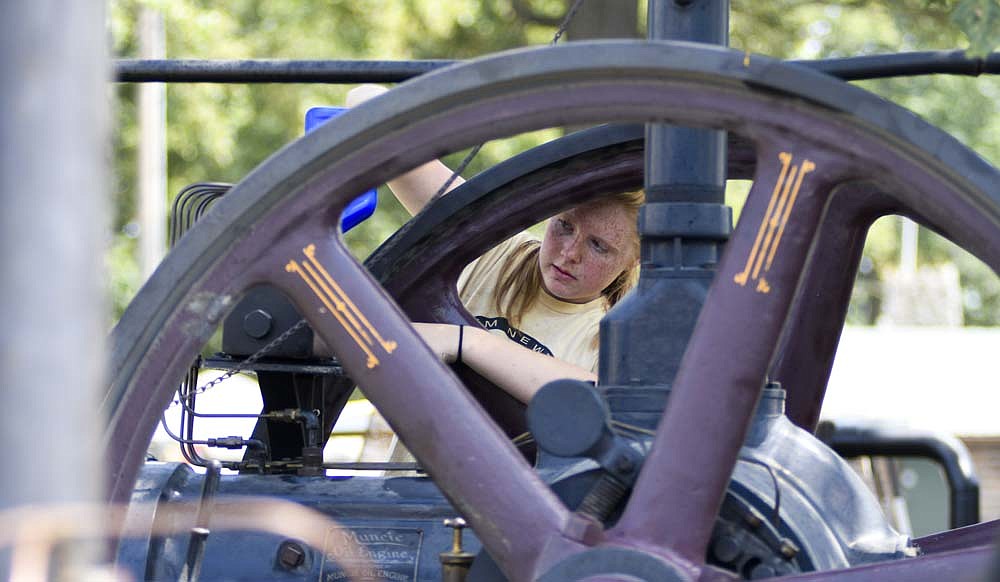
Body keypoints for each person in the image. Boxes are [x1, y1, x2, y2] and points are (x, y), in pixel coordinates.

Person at [347, 84, 644, 404]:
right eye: (564, 225)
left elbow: (615, 407)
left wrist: (470, 344)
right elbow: (363, 100)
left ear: (635, 258)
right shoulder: (490, 246)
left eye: (598, 245)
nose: (569, 253)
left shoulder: (620, 336)